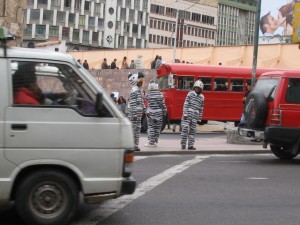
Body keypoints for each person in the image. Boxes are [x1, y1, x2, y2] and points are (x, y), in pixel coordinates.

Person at [180, 80, 205, 150]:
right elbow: (186, 104)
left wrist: (199, 118)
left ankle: (190, 145)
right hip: (187, 114)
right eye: (196, 87)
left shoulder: (202, 97)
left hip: (195, 115)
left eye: (199, 88)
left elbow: (201, 108)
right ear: (194, 87)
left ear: (201, 89)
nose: (197, 89)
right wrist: (185, 113)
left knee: (193, 131)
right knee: (184, 129)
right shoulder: (190, 94)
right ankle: (183, 143)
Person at [144, 81, 167, 147]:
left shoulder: (149, 94)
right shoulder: (160, 94)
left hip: (151, 113)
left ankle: (151, 142)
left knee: (151, 127)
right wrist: (164, 112)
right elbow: (163, 105)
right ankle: (155, 140)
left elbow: (145, 99)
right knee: (157, 128)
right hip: (159, 113)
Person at [128, 72, 145, 151]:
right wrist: (134, 114)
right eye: (141, 80)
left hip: (138, 114)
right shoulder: (134, 90)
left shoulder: (138, 90)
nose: (142, 82)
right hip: (135, 114)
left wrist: (145, 110)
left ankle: (135, 144)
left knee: (137, 129)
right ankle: (132, 144)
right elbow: (132, 102)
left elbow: (140, 101)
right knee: (134, 129)